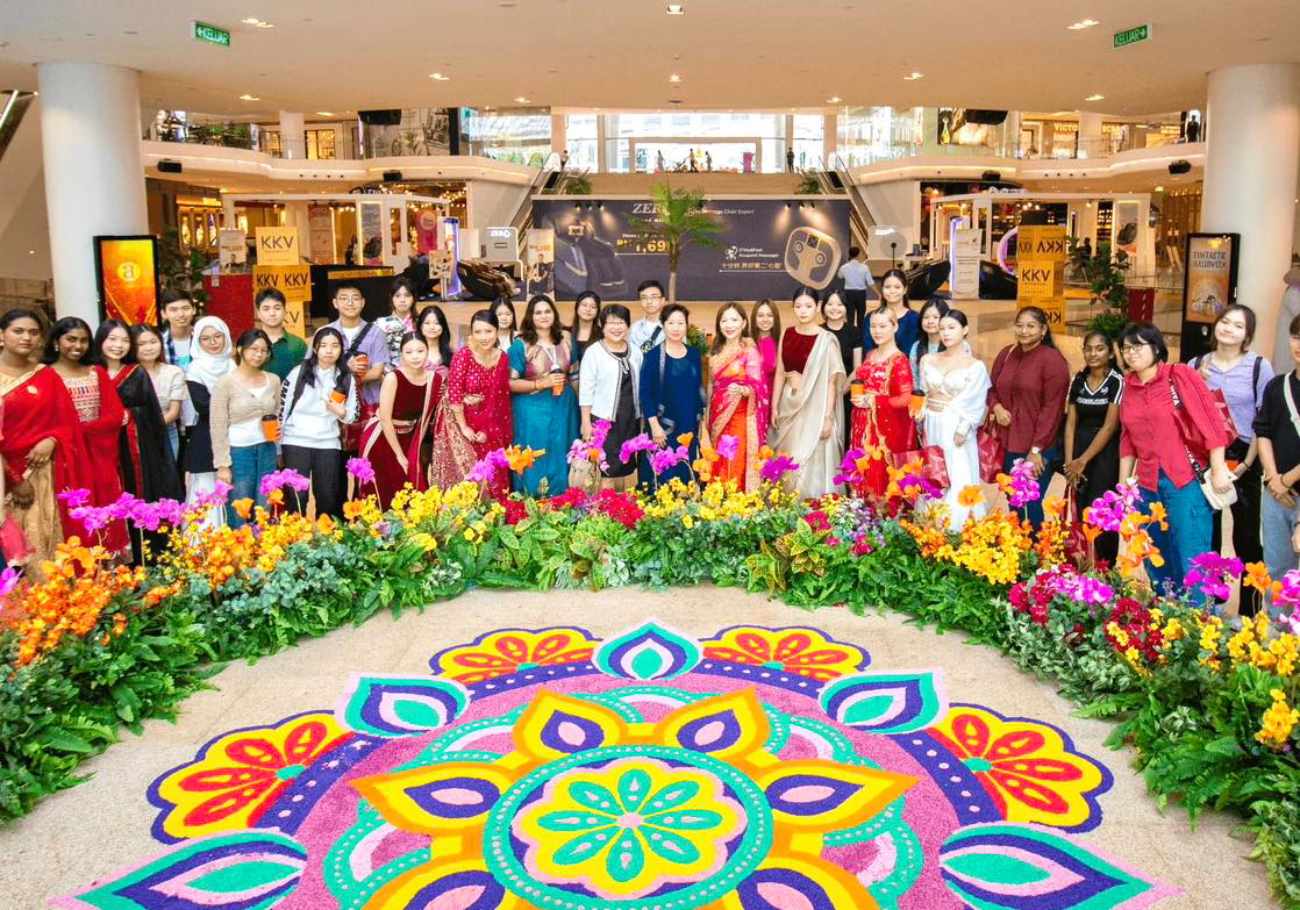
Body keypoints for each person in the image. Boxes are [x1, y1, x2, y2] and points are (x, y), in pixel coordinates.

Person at [1117, 322, 1233, 591]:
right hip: (1147, 485)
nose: (1131, 353)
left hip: (1184, 480)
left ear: (1156, 348)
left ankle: (1199, 624)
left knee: (1193, 558)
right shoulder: (1129, 385)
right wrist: (1124, 488)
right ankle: (1167, 617)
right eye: (1125, 348)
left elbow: (1211, 423)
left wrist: (1217, 468)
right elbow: (1127, 439)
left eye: (1137, 346)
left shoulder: (1178, 375)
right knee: (1156, 557)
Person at [1190, 303, 1275, 616]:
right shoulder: (1196, 363)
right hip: (1205, 457)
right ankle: (1212, 601)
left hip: (1244, 456)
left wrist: (1245, 465)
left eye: (1238, 326)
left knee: (1247, 536)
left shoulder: (1258, 367)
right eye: (1224, 322)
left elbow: (1262, 421)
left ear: (1247, 335)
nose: (1228, 329)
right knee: (1207, 533)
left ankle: (1249, 611)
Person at [0, 309, 90, 565]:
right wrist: (15, 480)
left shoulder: (46, 375)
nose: (26, 337)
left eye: (33, 332)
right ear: (1, 336)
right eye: (18, 331)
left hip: (44, 474)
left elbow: (67, 422)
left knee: (47, 546)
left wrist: (51, 439)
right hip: (4, 478)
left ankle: (50, 602)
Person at [93, 321, 183, 555]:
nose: (118, 345)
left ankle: (143, 555)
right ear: (101, 340)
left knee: (136, 496)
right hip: (99, 449)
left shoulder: (136, 373)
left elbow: (153, 414)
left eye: (124, 340)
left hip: (134, 449)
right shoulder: (90, 372)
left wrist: (131, 414)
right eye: (112, 339)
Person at [43, 317, 128, 553]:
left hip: (99, 454)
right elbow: (43, 418)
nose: (77, 346)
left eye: (83, 340)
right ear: (56, 341)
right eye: (71, 339)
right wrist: (67, 437)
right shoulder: (44, 375)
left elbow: (114, 414)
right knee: (74, 509)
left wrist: (84, 431)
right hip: (63, 457)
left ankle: (108, 570)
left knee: (104, 506)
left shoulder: (96, 372)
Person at [987, 306, 1071, 528]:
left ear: (1043, 330)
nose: (1024, 331)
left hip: (1036, 448)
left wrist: (1036, 451)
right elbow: (991, 388)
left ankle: (1036, 556)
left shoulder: (1052, 361)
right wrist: (996, 407)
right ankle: (1019, 555)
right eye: (1020, 325)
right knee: (1014, 502)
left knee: (1031, 505)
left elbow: (1052, 409)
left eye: (1031, 326)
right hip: (1008, 443)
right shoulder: (1007, 354)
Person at [771, 287, 846, 497]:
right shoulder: (787, 333)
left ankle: (815, 508)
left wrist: (828, 417)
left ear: (817, 307)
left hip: (815, 407)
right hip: (789, 405)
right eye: (798, 306)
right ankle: (786, 509)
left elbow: (832, 382)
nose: (803, 311)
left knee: (808, 460)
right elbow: (779, 373)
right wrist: (774, 407)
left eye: (808, 306)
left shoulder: (827, 340)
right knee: (788, 460)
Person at [280, 328, 360, 519]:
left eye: (335, 346)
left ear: (341, 349)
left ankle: (325, 543)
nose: (329, 350)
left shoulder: (346, 377)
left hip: (328, 443)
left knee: (328, 498)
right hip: (295, 441)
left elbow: (353, 415)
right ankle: (296, 544)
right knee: (296, 498)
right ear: (315, 348)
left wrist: (341, 413)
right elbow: (282, 408)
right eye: (323, 345)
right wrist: (278, 444)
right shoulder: (298, 372)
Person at [920, 310, 990, 527]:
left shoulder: (975, 366)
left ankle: (958, 527)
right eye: (942, 329)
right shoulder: (928, 359)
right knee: (934, 470)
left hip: (955, 425)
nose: (946, 333)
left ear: (965, 330)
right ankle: (932, 525)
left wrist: (964, 428)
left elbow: (977, 402)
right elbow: (923, 392)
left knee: (957, 471)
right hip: (931, 422)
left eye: (952, 328)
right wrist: (920, 412)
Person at [432, 310, 513, 496]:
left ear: (497, 331)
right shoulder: (464, 355)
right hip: (459, 421)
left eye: (488, 331)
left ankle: (494, 517)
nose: (483, 337)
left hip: (490, 421)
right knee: (465, 478)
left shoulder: (502, 358)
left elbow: (498, 398)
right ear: (472, 333)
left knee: (492, 478)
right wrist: (464, 428)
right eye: (478, 332)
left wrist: (486, 429)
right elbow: (454, 392)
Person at [1063, 331, 1125, 565]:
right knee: (1080, 509)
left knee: (1102, 510)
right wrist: (1070, 463)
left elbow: (1110, 426)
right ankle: (1083, 564)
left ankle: (1104, 566)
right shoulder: (1078, 380)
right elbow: (1070, 423)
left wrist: (1083, 460)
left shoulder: (1116, 381)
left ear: (1110, 352)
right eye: (1088, 348)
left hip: (1104, 456)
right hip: (1078, 453)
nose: (1093, 353)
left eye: (1099, 348)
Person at [508, 294, 579, 496]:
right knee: (535, 453)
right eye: (538, 312)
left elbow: (574, 375)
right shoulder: (520, 345)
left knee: (561, 450)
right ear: (530, 317)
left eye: (547, 311)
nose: (543, 316)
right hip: (532, 409)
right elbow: (510, 382)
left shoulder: (566, 339)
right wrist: (541, 383)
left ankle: (563, 501)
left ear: (554, 314)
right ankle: (532, 502)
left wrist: (583, 411)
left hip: (564, 406)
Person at [360, 333, 440, 508]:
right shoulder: (393, 378)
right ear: (401, 354)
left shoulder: (435, 378)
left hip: (410, 439)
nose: (415, 356)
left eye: (420, 350)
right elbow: (385, 419)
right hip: (382, 440)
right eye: (409, 352)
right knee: (383, 495)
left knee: (410, 496)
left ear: (428, 351)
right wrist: (400, 455)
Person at [211, 329, 280, 528]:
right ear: (240, 349)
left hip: (267, 448)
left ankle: (264, 553)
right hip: (238, 451)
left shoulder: (273, 380)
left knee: (264, 504)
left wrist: (278, 436)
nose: (258, 354)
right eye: (253, 349)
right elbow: (217, 425)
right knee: (239, 506)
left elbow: (276, 412)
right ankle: (239, 554)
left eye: (263, 350)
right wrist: (222, 464)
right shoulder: (225, 383)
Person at [849, 308, 916, 499]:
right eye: (873, 326)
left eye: (883, 326)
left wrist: (873, 400)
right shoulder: (870, 354)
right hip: (862, 424)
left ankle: (880, 520)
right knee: (860, 470)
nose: (877, 331)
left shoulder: (899, 361)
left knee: (878, 478)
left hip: (883, 433)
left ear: (895, 327)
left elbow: (906, 398)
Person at [1256, 314, 1300, 600]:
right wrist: (1273, 479)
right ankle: (1275, 639)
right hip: (1275, 495)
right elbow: (1263, 432)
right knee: (1276, 570)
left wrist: (1286, 479)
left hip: (1287, 486)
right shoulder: (1277, 386)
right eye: (1297, 336)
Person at [579, 304, 643, 490]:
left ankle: (623, 509)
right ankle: (608, 512)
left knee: (627, 468)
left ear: (628, 326)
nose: (616, 327)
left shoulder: (636, 352)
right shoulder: (594, 352)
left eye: (621, 322)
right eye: (611, 323)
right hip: (604, 421)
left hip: (630, 419)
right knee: (607, 470)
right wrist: (586, 422)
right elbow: (586, 390)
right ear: (602, 325)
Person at [705, 304, 767, 490]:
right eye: (724, 320)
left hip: (740, 417)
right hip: (716, 417)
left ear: (744, 323)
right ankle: (718, 505)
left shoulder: (749, 352)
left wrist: (744, 390)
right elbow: (709, 386)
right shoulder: (713, 353)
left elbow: (759, 386)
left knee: (736, 460)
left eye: (734, 320)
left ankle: (738, 506)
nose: (729, 325)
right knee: (718, 459)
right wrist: (707, 417)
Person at [641, 303, 702, 486]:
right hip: (663, 426)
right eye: (671, 323)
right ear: (664, 325)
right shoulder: (652, 356)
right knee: (664, 476)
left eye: (680, 323)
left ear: (686, 326)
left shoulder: (694, 354)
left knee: (686, 473)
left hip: (688, 425)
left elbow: (698, 390)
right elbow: (645, 393)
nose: (676, 328)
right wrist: (654, 427)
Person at [182, 317, 234, 528]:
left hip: (234, 434)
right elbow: (203, 406)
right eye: (205, 339)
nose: (213, 343)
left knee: (232, 491)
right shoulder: (195, 369)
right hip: (207, 438)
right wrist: (233, 402)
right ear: (198, 342)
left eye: (217, 336)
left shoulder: (233, 365)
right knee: (206, 493)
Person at [326, 283, 389, 454]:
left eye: (355, 298)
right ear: (335, 303)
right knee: (337, 459)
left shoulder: (376, 332)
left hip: (369, 404)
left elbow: (377, 371)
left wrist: (346, 379)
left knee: (369, 457)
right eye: (344, 298)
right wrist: (346, 370)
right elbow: (317, 371)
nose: (350, 303)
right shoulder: (325, 332)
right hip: (334, 405)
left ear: (363, 302)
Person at [132, 324, 188, 462]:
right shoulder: (127, 373)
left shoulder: (173, 372)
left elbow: (174, 412)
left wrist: (150, 428)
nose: (149, 348)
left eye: (153, 342)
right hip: (133, 436)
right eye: (141, 344)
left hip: (166, 432)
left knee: (166, 479)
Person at [822, 290, 863, 450]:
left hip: (847, 393)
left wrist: (841, 390)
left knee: (844, 437)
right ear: (823, 307)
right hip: (822, 395)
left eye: (839, 304)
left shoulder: (854, 332)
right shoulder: (819, 332)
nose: (834, 308)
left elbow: (857, 367)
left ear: (846, 307)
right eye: (830, 304)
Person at [864, 268, 920, 361]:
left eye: (897, 287)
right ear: (882, 289)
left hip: (904, 370)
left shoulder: (915, 319)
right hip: (875, 369)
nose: (892, 291)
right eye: (887, 287)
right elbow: (867, 349)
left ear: (905, 289)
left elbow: (912, 352)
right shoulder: (870, 317)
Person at [255, 288, 307, 382]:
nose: (272, 313)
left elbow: (305, 377)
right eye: (266, 309)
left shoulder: (297, 344)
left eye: (277, 308)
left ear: (285, 311)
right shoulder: (250, 343)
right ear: (258, 313)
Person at [750, 298, 780, 432]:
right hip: (749, 404)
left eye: (769, 315)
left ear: (775, 319)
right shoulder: (746, 344)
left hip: (772, 405)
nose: (765, 319)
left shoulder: (781, 344)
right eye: (760, 315)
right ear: (754, 319)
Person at [910, 298, 950, 391]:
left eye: (936, 317)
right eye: (926, 317)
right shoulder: (916, 346)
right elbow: (914, 379)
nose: (930, 321)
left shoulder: (958, 345)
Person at [378, 276, 419, 366]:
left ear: (413, 299)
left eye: (407, 295)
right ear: (392, 299)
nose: (402, 300)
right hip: (388, 374)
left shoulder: (421, 323)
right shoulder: (380, 324)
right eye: (397, 296)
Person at [837, 246, 872, 330]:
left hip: (849, 293)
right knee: (861, 316)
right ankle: (860, 334)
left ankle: (850, 333)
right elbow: (870, 282)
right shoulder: (864, 267)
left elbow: (839, 276)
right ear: (858, 255)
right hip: (861, 294)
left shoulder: (844, 267)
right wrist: (878, 293)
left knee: (850, 315)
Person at [160, 289, 197, 369]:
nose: (181, 314)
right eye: (173, 310)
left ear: (194, 310)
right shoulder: (159, 342)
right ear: (164, 314)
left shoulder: (203, 338)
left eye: (186, 308)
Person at [415, 304, 454, 377]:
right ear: (420, 326)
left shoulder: (452, 355)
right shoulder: (412, 353)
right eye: (427, 323)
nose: (432, 327)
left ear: (443, 327)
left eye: (437, 323)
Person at [629, 280, 666, 353]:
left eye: (654, 297)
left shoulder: (673, 325)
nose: (649, 301)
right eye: (644, 297)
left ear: (662, 300)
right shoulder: (635, 327)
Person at [570, 290, 602, 367]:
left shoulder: (603, 335)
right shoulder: (566, 333)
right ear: (577, 307)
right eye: (584, 305)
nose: (588, 309)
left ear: (597, 311)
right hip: (569, 377)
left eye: (593, 307)